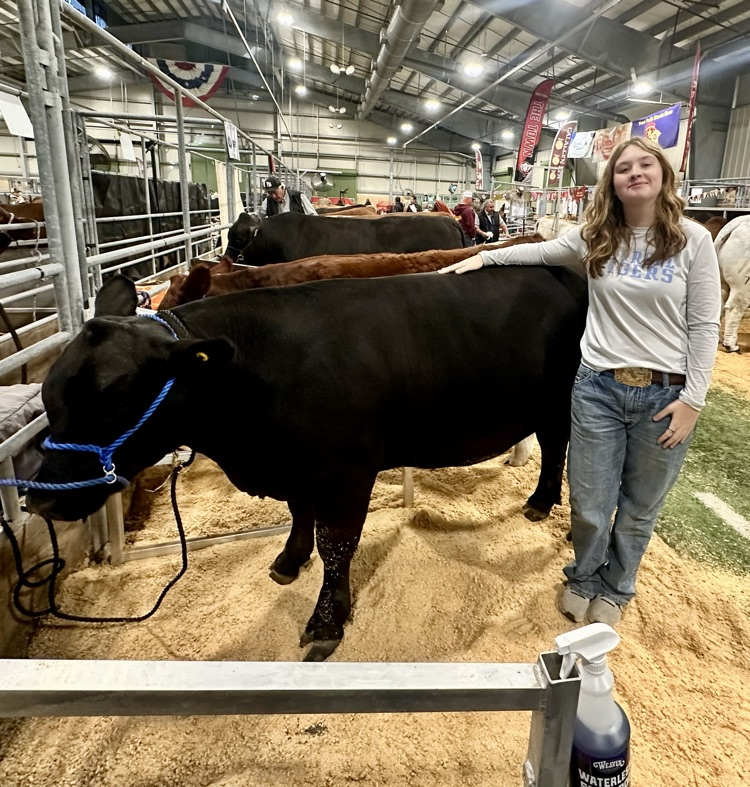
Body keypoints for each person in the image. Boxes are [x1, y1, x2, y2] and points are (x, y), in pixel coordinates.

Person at [439, 137, 721, 627]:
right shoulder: (596, 235)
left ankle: (617, 588)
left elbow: (704, 325)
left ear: (663, 175)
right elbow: (539, 252)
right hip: (598, 388)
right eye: (623, 167)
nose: (634, 172)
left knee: (638, 506)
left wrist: (694, 398)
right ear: (611, 181)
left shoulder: (692, 240)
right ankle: (585, 577)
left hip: (665, 393)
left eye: (645, 164)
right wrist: (484, 257)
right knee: (591, 500)